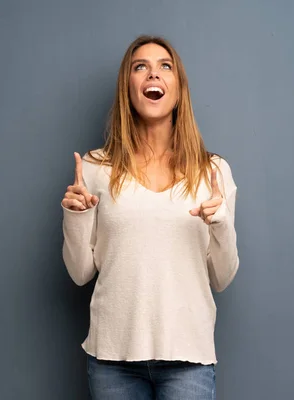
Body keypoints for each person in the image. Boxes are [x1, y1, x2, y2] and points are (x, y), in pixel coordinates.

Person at [61, 35, 239, 400]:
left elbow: (222, 277)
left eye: (165, 66)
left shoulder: (212, 171)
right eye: (140, 67)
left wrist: (220, 222)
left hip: (188, 356)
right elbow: (80, 273)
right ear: (128, 87)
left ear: (178, 88)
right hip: (113, 358)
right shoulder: (96, 168)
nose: (152, 74)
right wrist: (75, 217)